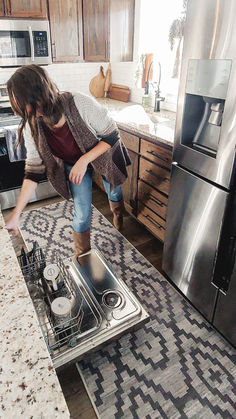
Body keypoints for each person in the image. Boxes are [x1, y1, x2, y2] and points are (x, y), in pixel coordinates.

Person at [5, 64, 131, 256]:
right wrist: (16, 214)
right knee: (81, 214)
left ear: (37, 96)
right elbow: (33, 171)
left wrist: (84, 160)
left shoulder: (79, 103)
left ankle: (118, 213)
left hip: (102, 154)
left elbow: (113, 135)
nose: (16, 112)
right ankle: (83, 257)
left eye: (20, 103)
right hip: (73, 163)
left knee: (113, 191)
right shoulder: (33, 124)